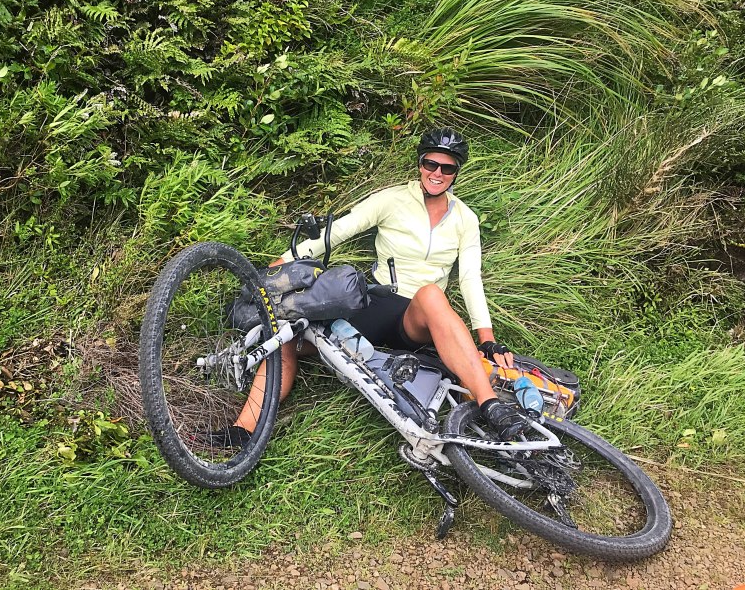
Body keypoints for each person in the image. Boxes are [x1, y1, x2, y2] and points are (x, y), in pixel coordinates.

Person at [217, 128, 526, 447]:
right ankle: (242, 431)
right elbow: (336, 233)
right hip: (376, 304)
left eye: (447, 168)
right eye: (430, 164)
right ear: (420, 164)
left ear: (456, 173)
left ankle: (492, 407)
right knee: (286, 335)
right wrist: (274, 270)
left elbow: (470, 278)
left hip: (418, 319)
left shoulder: (465, 219)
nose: (437, 173)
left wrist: (487, 340)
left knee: (431, 294)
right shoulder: (392, 199)